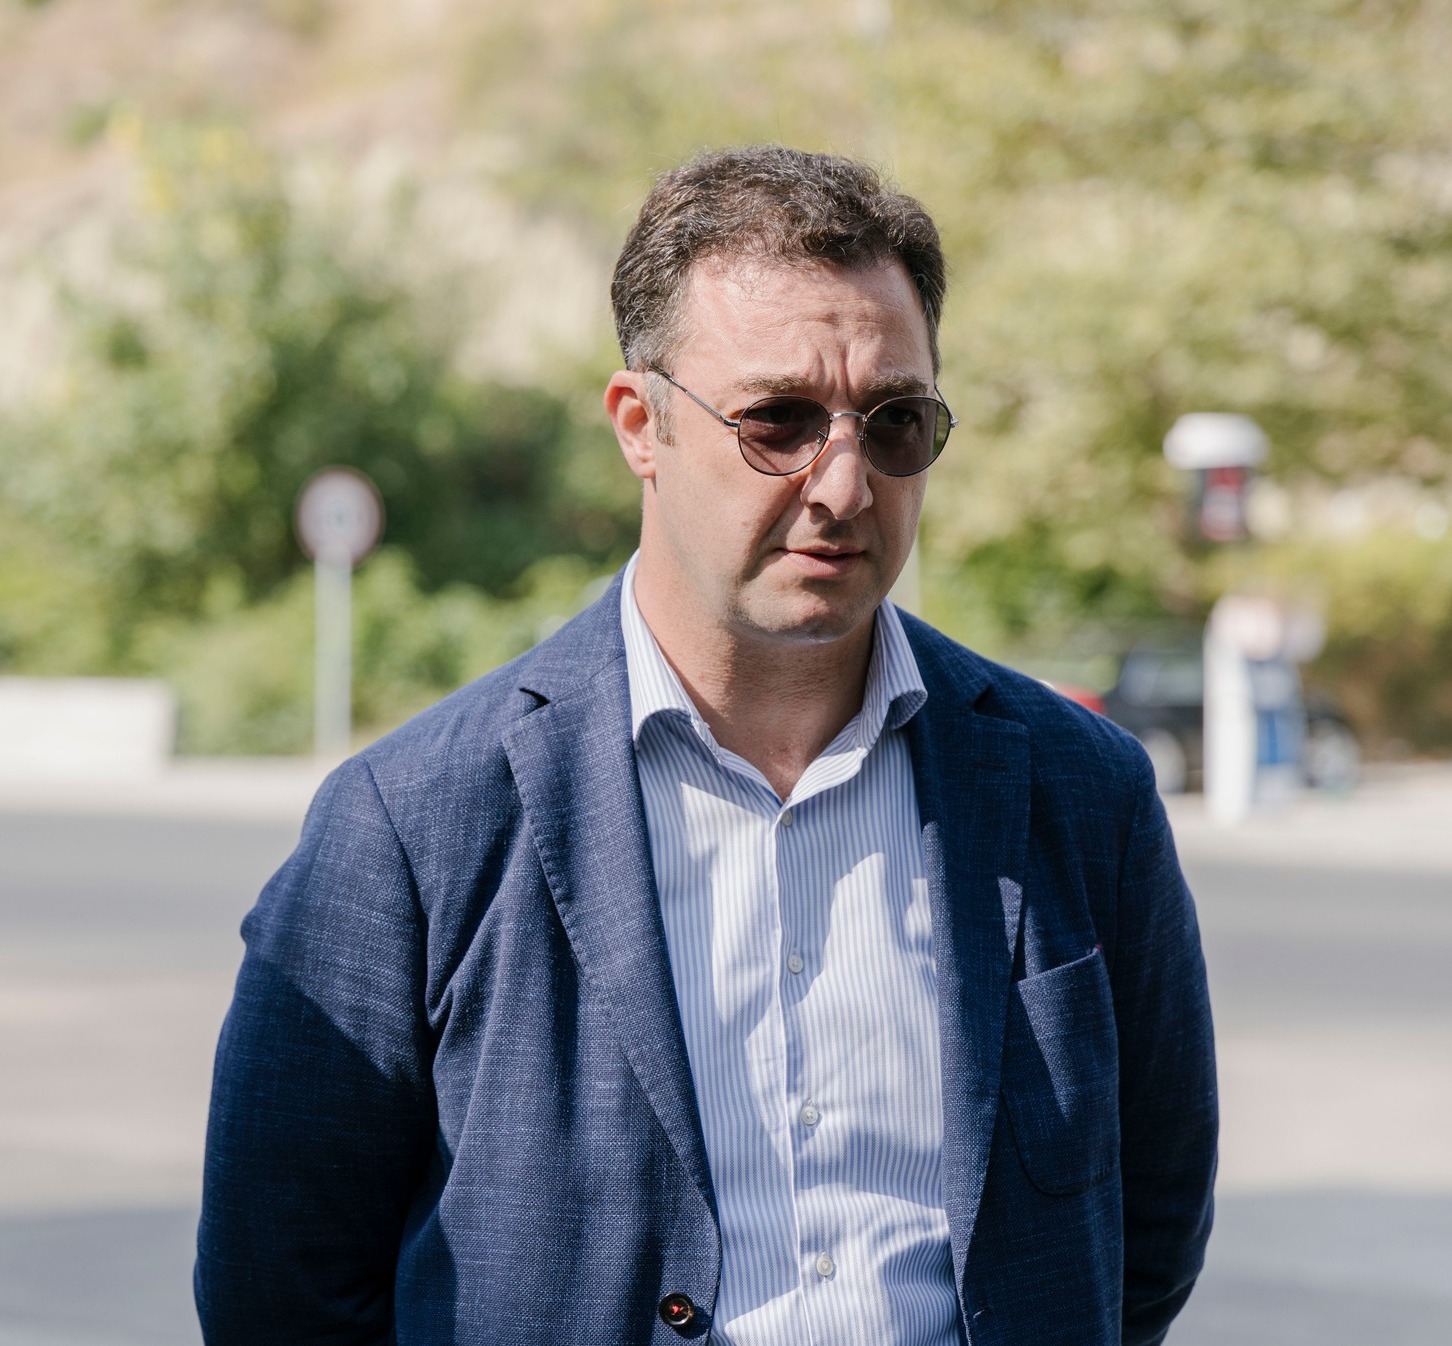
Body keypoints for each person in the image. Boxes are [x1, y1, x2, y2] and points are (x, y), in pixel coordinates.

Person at [196, 145, 1216, 1346]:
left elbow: (1147, 1227)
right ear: (642, 424)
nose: (844, 484)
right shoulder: (415, 819)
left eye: (895, 422)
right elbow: (280, 1281)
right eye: (778, 420)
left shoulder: (1081, 789)